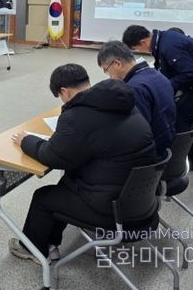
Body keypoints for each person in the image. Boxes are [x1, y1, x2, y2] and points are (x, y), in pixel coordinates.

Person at [8, 64, 156, 264]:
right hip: (141, 201)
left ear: (65, 91)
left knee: (43, 197)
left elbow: (53, 156)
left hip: (113, 210)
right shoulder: (123, 104)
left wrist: (26, 141)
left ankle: (32, 249)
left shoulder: (78, 116)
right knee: (66, 182)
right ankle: (50, 243)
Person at [122, 25, 193, 167]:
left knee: (180, 117)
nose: (139, 52)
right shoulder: (164, 39)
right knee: (176, 106)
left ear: (143, 42)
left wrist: (166, 85)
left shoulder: (169, 47)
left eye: (136, 49)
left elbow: (191, 73)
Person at [97, 41, 176, 158]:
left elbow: (138, 132)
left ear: (117, 63)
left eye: (106, 70)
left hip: (151, 153)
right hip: (168, 141)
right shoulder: (157, 75)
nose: (109, 76)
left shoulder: (134, 88)